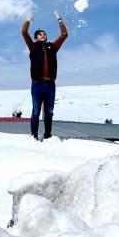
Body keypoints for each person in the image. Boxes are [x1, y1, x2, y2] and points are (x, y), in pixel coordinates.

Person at [21, 11, 68, 140]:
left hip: (50, 85)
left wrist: (59, 19)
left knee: (49, 112)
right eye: (41, 34)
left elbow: (64, 34)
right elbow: (24, 33)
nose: (44, 35)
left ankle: (48, 136)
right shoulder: (33, 46)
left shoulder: (52, 47)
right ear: (36, 37)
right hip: (37, 84)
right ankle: (34, 135)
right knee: (36, 111)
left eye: (45, 34)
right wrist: (28, 21)